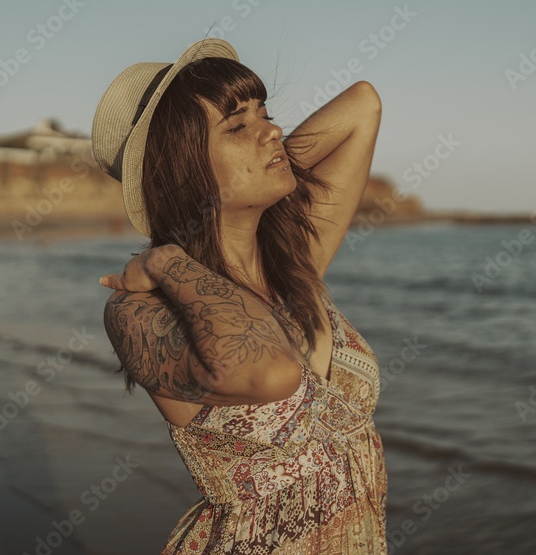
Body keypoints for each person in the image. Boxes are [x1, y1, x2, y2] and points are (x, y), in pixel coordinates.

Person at [91, 38, 387, 553]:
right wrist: (167, 259)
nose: (273, 130)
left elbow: (364, 103)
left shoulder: (294, 267)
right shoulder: (139, 311)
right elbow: (269, 370)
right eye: (236, 126)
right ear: (184, 168)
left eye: (265, 113)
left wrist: (265, 154)